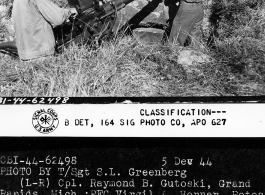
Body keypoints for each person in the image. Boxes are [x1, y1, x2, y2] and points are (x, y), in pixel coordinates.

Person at [12, 0, 78, 61]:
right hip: (42, 54)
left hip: (25, 57)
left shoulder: (16, 1)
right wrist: (69, 11)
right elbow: (58, 18)